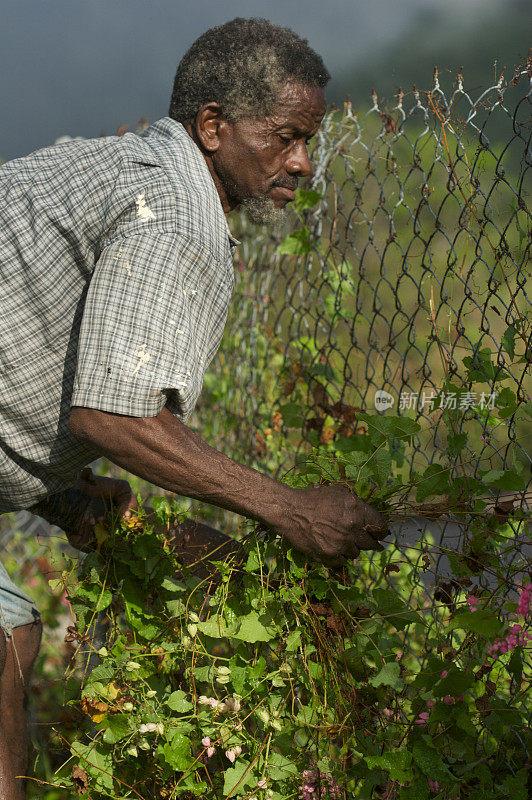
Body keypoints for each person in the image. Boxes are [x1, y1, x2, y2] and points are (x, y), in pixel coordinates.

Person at [0, 18, 388, 798]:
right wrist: (286, 508)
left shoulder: (130, 169)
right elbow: (112, 418)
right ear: (213, 127)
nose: (303, 162)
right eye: (285, 138)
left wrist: (66, 499)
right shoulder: (174, 212)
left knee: (12, 633)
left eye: (309, 140)